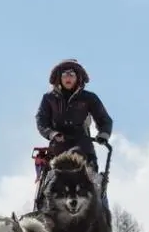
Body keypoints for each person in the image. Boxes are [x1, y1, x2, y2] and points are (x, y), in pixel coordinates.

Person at [34, 58, 114, 211]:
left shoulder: (89, 98)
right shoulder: (49, 99)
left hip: (84, 148)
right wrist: (51, 133)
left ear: (78, 77)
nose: (68, 77)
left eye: (71, 74)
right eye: (64, 74)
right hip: (58, 150)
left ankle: (101, 218)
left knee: (95, 184)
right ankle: (45, 216)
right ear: (59, 77)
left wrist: (103, 134)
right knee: (50, 185)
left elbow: (104, 119)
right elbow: (41, 120)